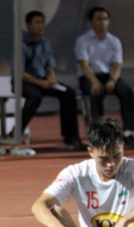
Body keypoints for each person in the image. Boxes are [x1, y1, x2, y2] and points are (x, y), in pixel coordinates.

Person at [26, 119, 134, 227]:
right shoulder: (76, 173)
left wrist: (124, 222)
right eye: (104, 159)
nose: (111, 164)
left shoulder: (131, 168)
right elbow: (39, 204)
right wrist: (54, 225)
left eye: (117, 156)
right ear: (91, 152)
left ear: (123, 148)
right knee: (55, 212)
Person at [16, 11, 83, 150]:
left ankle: (71, 137)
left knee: (69, 94)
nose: (40, 26)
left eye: (42, 22)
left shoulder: (46, 43)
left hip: (43, 81)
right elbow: (20, 73)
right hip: (24, 82)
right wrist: (41, 83)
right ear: (28, 25)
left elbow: (49, 66)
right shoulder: (21, 44)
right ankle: (17, 131)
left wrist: (51, 79)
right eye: (36, 22)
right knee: (35, 97)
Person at [76, 7, 134, 146]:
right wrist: (95, 82)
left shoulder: (114, 41)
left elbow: (117, 65)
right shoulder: (83, 41)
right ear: (91, 22)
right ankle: (100, 133)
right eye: (98, 19)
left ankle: (127, 132)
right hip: (89, 77)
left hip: (109, 76)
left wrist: (112, 80)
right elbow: (84, 65)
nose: (102, 22)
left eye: (105, 19)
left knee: (126, 91)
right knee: (95, 92)